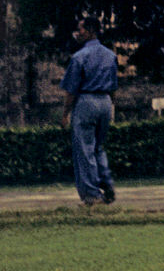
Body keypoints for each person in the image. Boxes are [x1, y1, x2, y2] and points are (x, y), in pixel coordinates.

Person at [61, 15, 118, 206]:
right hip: (105, 101)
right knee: (98, 147)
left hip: (86, 100)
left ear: (91, 30)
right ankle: (107, 184)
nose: (78, 33)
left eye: (81, 29)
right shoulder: (110, 55)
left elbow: (71, 90)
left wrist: (65, 113)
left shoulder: (79, 57)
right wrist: (111, 108)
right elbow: (113, 86)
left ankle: (92, 195)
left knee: (84, 149)